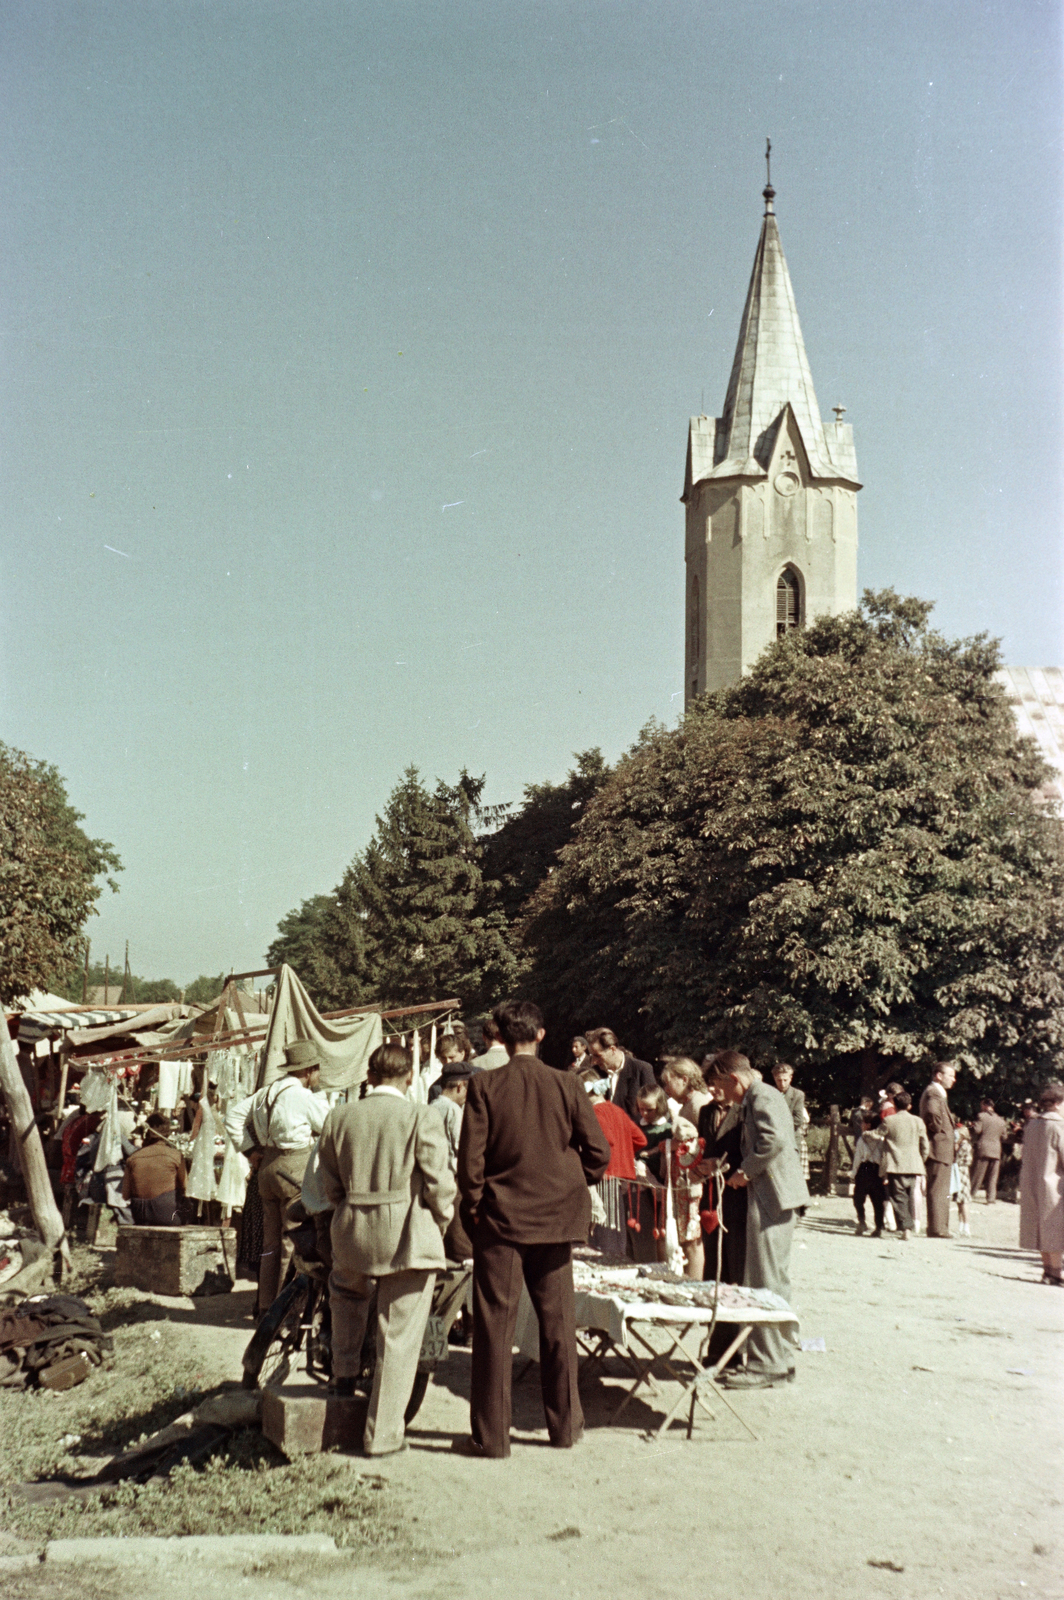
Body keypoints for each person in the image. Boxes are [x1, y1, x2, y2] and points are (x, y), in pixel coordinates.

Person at [457, 999, 610, 1458]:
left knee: (494, 1330)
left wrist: (475, 1212)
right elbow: (598, 1153)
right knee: (558, 1324)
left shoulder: (484, 1085)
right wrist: (568, 1181)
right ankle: (564, 1429)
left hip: (501, 1220)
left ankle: (493, 1438)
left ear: (500, 1036)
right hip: (556, 1220)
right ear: (541, 1034)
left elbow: (470, 1164)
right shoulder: (567, 1084)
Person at [316, 1043, 454, 1455]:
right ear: (409, 1077)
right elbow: (440, 1184)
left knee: (345, 1300)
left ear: (369, 1077)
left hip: (352, 1230)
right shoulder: (420, 1116)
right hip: (406, 1236)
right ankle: (383, 1435)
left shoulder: (338, 1117)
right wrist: (440, 1221)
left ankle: (342, 1382)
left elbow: (329, 1184)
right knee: (399, 1335)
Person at [704, 1054, 809, 1388]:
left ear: (733, 1079)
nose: (717, 1091)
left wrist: (744, 1173)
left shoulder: (762, 1096)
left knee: (766, 1283)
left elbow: (774, 1141)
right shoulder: (760, 1096)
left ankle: (770, 1364)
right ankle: (775, 1359)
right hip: (770, 1198)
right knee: (766, 1279)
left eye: (719, 1084)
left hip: (771, 1199)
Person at [237, 1041, 330, 1316]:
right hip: (292, 1165)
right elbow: (328, 1125)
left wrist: (250, 1149)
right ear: (309, 1070)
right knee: (294, 1239)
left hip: (267, 1165)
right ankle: (286, 1308)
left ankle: (265, 1304)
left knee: (270, 1244)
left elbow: (234, 1116)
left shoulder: (269, 1091)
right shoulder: (302, 1096)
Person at [696, 1060, 748, 1285]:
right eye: (709, 1084)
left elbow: (749, 1151)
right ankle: (713, 1315)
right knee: (712, 1258)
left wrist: (722, 1165)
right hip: (710, 1193)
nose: (711, 1089)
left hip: (736, 1191)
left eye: (716, 1084)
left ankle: (735, 1314)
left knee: (736, 1257)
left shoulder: (745, 1110)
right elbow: (704, 1146)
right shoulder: (705, 1111)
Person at [1018, 1082, 1064, 1286]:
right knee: (1054, 1228)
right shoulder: (1058, 1126)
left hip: (1032, 1183)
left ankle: (1047, 1271)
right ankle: (1056, 1273)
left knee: (1041, 1228)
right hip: (1055, 1186)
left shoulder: (1032, 1125)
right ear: (1056, 1104)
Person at [433, 1063, 475, 1262]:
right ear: (460, 1086)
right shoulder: (454, 1110)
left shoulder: (432, 1106)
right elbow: (461, 1145)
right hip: (451, 1173)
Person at [877, 1091, 929, 1241]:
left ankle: (906, 1227)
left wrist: (867, 1135)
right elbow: (925, 1145)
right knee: (909, 1195)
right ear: (910, 1105)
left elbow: (877, 1135)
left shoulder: (889, 1121)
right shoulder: (918, 1121)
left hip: (895, 1164)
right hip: (914, 1165)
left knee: (898, 1197)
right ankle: (909, 1225)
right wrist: (921, 1159)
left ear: (894, 1104)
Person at [121, 1113, 186, 1224]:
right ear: (167, 1134)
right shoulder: (176, 1155)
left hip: (140, 1215)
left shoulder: (133, 1158)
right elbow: (186, 1188)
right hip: (167, 1214)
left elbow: (125, 1195)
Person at [585, 1027, 655, 1125]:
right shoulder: (595, 1073)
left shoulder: (642, 1069)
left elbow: (654, 1110)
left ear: (612, 1049)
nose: (594, 1061)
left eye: (597, 1056)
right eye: (592, 1056)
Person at [772, 1064, 810, 1181]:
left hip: (791, 1139)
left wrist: (776, 1129)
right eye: (779, 1080)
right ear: (774, 1078)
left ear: (791, 1078)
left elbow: (798, 1119)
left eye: (785, 1080)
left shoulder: (798, 1095)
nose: (782, 1084)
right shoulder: (769, 1093)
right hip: (771, 1140)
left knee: (791, 1176)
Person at [850, 1114, 886, 1236]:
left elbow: (858, 1158)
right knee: (878, 1201)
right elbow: (884, 1157)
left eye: (863, 1123)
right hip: (877, 1171)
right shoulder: (882, 1139)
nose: (861, 1125)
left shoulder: (862, 1139)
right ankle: (879, 1227)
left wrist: (854, 1173)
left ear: (868, 1125)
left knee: (858, 1198)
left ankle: (862, 1220)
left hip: (864, 1169)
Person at [970, 1098, 1007, 1204]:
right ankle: (991, 1198)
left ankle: (970, 1194)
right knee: (993, 1176)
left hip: (983, 1149)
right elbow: (1004, 1137)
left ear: (985, 1106)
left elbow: (977, 1130)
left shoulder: (981, 1116)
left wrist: (971, 1125)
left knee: (977, 1174)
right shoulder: (1001, 1120)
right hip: (996, 1150)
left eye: (982, 1105)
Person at [952, 1119, 972, 1236]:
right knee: (959, 1201)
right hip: (959, 1172)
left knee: (964, 1201)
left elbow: (966, 1160)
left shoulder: (965, 1146)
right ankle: (960, 1225)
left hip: (962, 1172)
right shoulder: (960, 1145)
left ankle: (966, 1226)